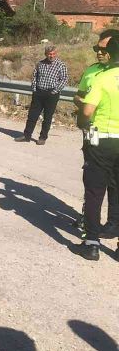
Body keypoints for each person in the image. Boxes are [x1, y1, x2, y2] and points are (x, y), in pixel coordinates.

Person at [75, 35, 119, 260]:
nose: (100, 53)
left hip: (101, 139)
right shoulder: (93, 71)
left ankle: (91, 242)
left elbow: (86, 111)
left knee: (94, 190)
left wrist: (84, 124)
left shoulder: (103, 78)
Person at [15, 44, 69, 145]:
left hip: (52, 94)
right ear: (46, 54)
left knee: (47, 117)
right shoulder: (40, 64)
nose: (51, 56)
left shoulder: (61, 65)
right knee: (32, 116)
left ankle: (42, 138)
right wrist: (34, 89)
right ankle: (26, 136)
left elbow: (64, 79)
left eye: (53, 54)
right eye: (49, 54)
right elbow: (35, 76)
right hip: (39, 93)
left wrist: (55, 90)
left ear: (56, 54)